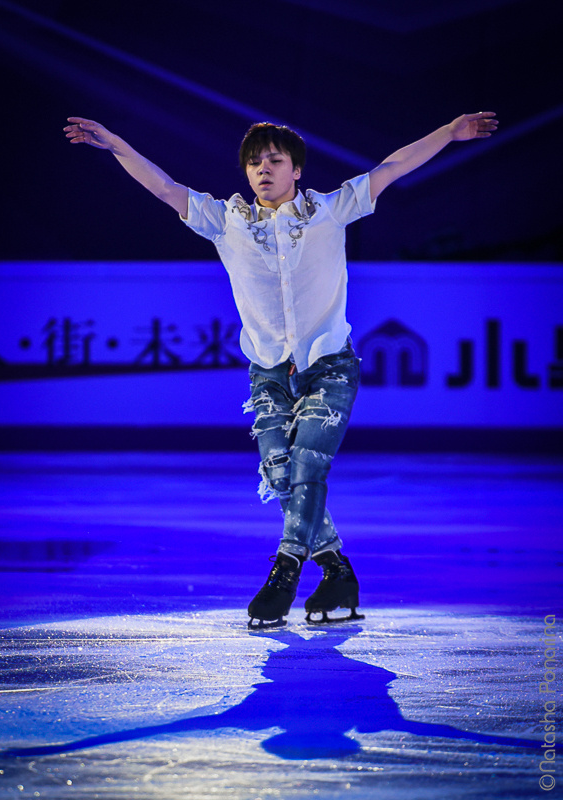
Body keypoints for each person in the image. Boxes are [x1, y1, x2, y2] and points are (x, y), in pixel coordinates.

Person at [64, 111, 498, 627]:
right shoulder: (226, 222)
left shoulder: (331, 211)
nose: (261, 170)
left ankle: (284, 574)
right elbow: (163, 187)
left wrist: (448, 132)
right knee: (281, 475)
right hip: (268, 374)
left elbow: (392, 166)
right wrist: (116, 144)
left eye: (273, 160)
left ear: (297, 170)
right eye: (253, 163)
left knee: (309, 463)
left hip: (330, 367)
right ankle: (337, 571)